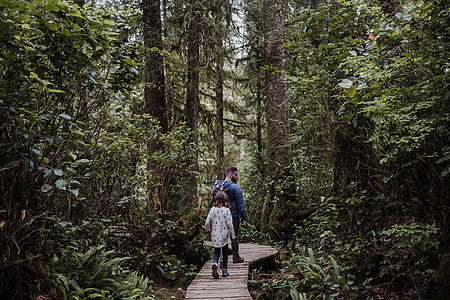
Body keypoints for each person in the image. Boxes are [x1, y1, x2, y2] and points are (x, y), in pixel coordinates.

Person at [211, 166, 246, 263]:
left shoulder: (217, 186)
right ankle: (235, 257)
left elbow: (213, 202)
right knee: (234, 236)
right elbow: (240, 204)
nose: (237, 177)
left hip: (218, 217)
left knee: (221, 235)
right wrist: (243, 218)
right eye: (235, 175)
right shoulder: (235, 187)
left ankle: (221, 258)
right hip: (233, 215)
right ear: (231, 175)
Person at [205, 191, 235, 278]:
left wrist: (208, 229)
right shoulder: (227, 210)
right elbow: (230, 224)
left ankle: (215, 263)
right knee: (225, 252)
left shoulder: (212, 210)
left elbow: (207, 222)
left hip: (215, 233)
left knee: (216, 252)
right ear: (225, 200)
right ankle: (224, 271)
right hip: (224, 233)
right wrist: (232, 235)